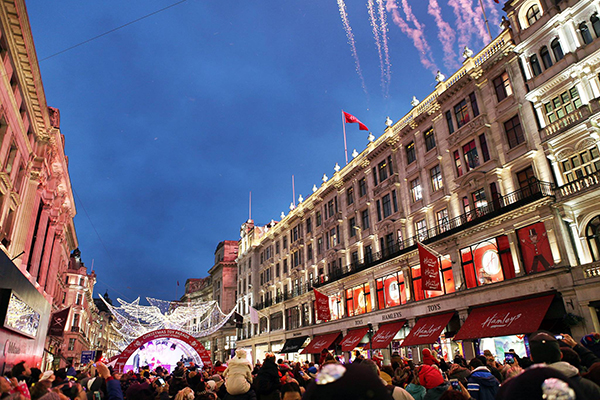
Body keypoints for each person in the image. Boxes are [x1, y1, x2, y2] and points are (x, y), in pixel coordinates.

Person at [529, 331, 600, 400]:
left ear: (531, 357)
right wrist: (575, 346)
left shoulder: (527, 390)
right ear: (561, 355)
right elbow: (594, 362)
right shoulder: (589, 387)